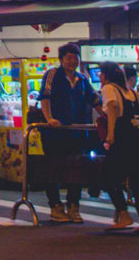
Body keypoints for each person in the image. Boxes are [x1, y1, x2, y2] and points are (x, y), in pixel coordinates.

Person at [38, 43, 99, 223]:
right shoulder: (52, 75)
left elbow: (95, 100)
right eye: (69, 58)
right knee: (53, 169)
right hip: (54, 133)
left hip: (76, 132)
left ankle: (73, 206)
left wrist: (108, 117)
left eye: (75, 58)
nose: (73, 61)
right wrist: (49, 118)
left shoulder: (82, 79)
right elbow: (45, 97)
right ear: (61, 60)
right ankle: (55, 206)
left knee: (77, 168)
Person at [99, 61, 139, 234]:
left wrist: (110, 134)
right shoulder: (130, 91)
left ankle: (124, 216)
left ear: (105, 75)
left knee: (108, 178)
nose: (100, 77)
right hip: (138, 141)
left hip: (121, 139)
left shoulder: (108, 88)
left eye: (101, 73)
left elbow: (111, 107)